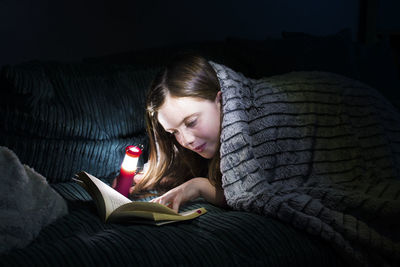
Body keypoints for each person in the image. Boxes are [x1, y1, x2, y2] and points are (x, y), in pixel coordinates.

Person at [131, 54, 227, 212]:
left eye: (191, 122)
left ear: (221, 101)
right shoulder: (189, 149)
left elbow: (253, 195)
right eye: (173, 132)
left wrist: (198, 186)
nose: (186, 140)